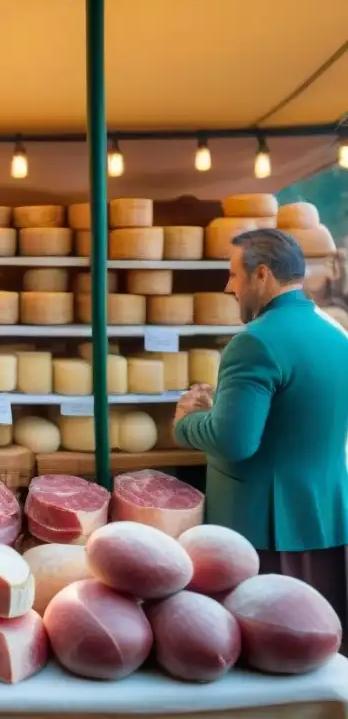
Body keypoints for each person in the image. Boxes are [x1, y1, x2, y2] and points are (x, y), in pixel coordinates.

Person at [174, 228, 348, 647]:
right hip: (327, 520)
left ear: (262, 274)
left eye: (233, 274)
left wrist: (186, 422)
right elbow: (301, 415)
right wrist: (225, 406)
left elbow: (234, 442)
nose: (228, 286)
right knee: (322, 650)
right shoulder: (335, 335)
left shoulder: (253, 342)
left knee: (270, 652)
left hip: (264, 532)